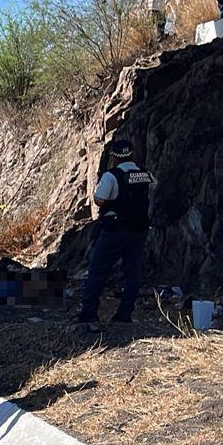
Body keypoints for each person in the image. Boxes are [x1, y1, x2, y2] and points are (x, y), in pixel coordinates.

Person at [77, 140, 155, 329]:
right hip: (139, 230)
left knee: (97, 270)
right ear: (132, 155)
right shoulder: (145, 174)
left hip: (115, 230)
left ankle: (89, 314)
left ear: (113, 156)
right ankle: (124, 314)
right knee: (132, 273)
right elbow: (153, 188)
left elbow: (100, 200)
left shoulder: (112, 176)